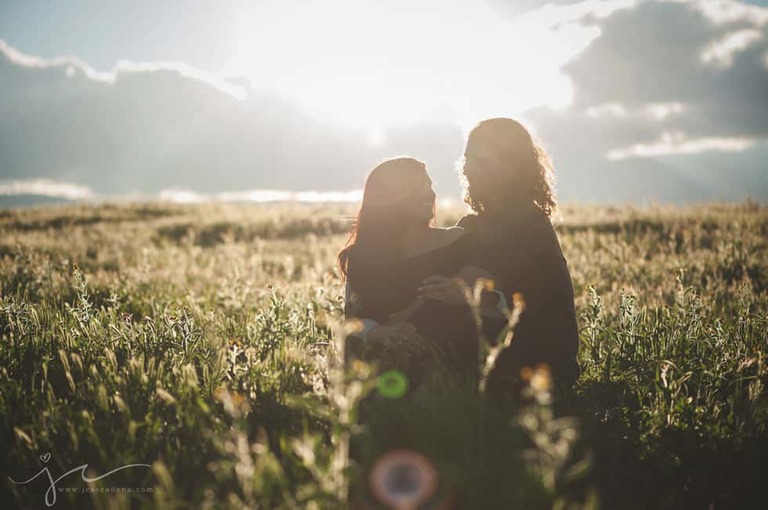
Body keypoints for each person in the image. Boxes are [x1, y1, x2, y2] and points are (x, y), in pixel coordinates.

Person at [418, 117, 580, 399]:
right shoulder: (474, 225)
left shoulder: (528, 223)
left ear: (512, 168)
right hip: (500, 350)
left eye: (480, 161)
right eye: (467, 159)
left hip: (542, 368)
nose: (468, 168)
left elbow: (469, 285)